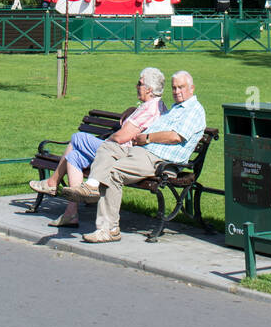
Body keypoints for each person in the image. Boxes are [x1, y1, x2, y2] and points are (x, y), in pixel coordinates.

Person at [61, 71, 206, 242]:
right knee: (108, 147)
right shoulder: (175, 108)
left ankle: (109, 229)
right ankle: (92, 186)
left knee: (113, 172)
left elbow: (176, 136)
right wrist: (134, 111)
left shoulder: (194, 110)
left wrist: (148, 138)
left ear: (192, 88)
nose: (176, 91)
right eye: (174, 88)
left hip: (158, 159)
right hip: (141, 151)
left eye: (181, 87)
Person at [29, 68, 166, 228]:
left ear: (149, 89)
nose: (136, 86)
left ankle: (53, 183)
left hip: (120, 154)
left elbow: (122, 137)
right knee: (73, 157)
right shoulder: (152, 106)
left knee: (77, 138)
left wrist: (109, 138)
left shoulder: (150, 109)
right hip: (116, 150)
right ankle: (70, 213)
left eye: (140, 83)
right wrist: (131, 111)